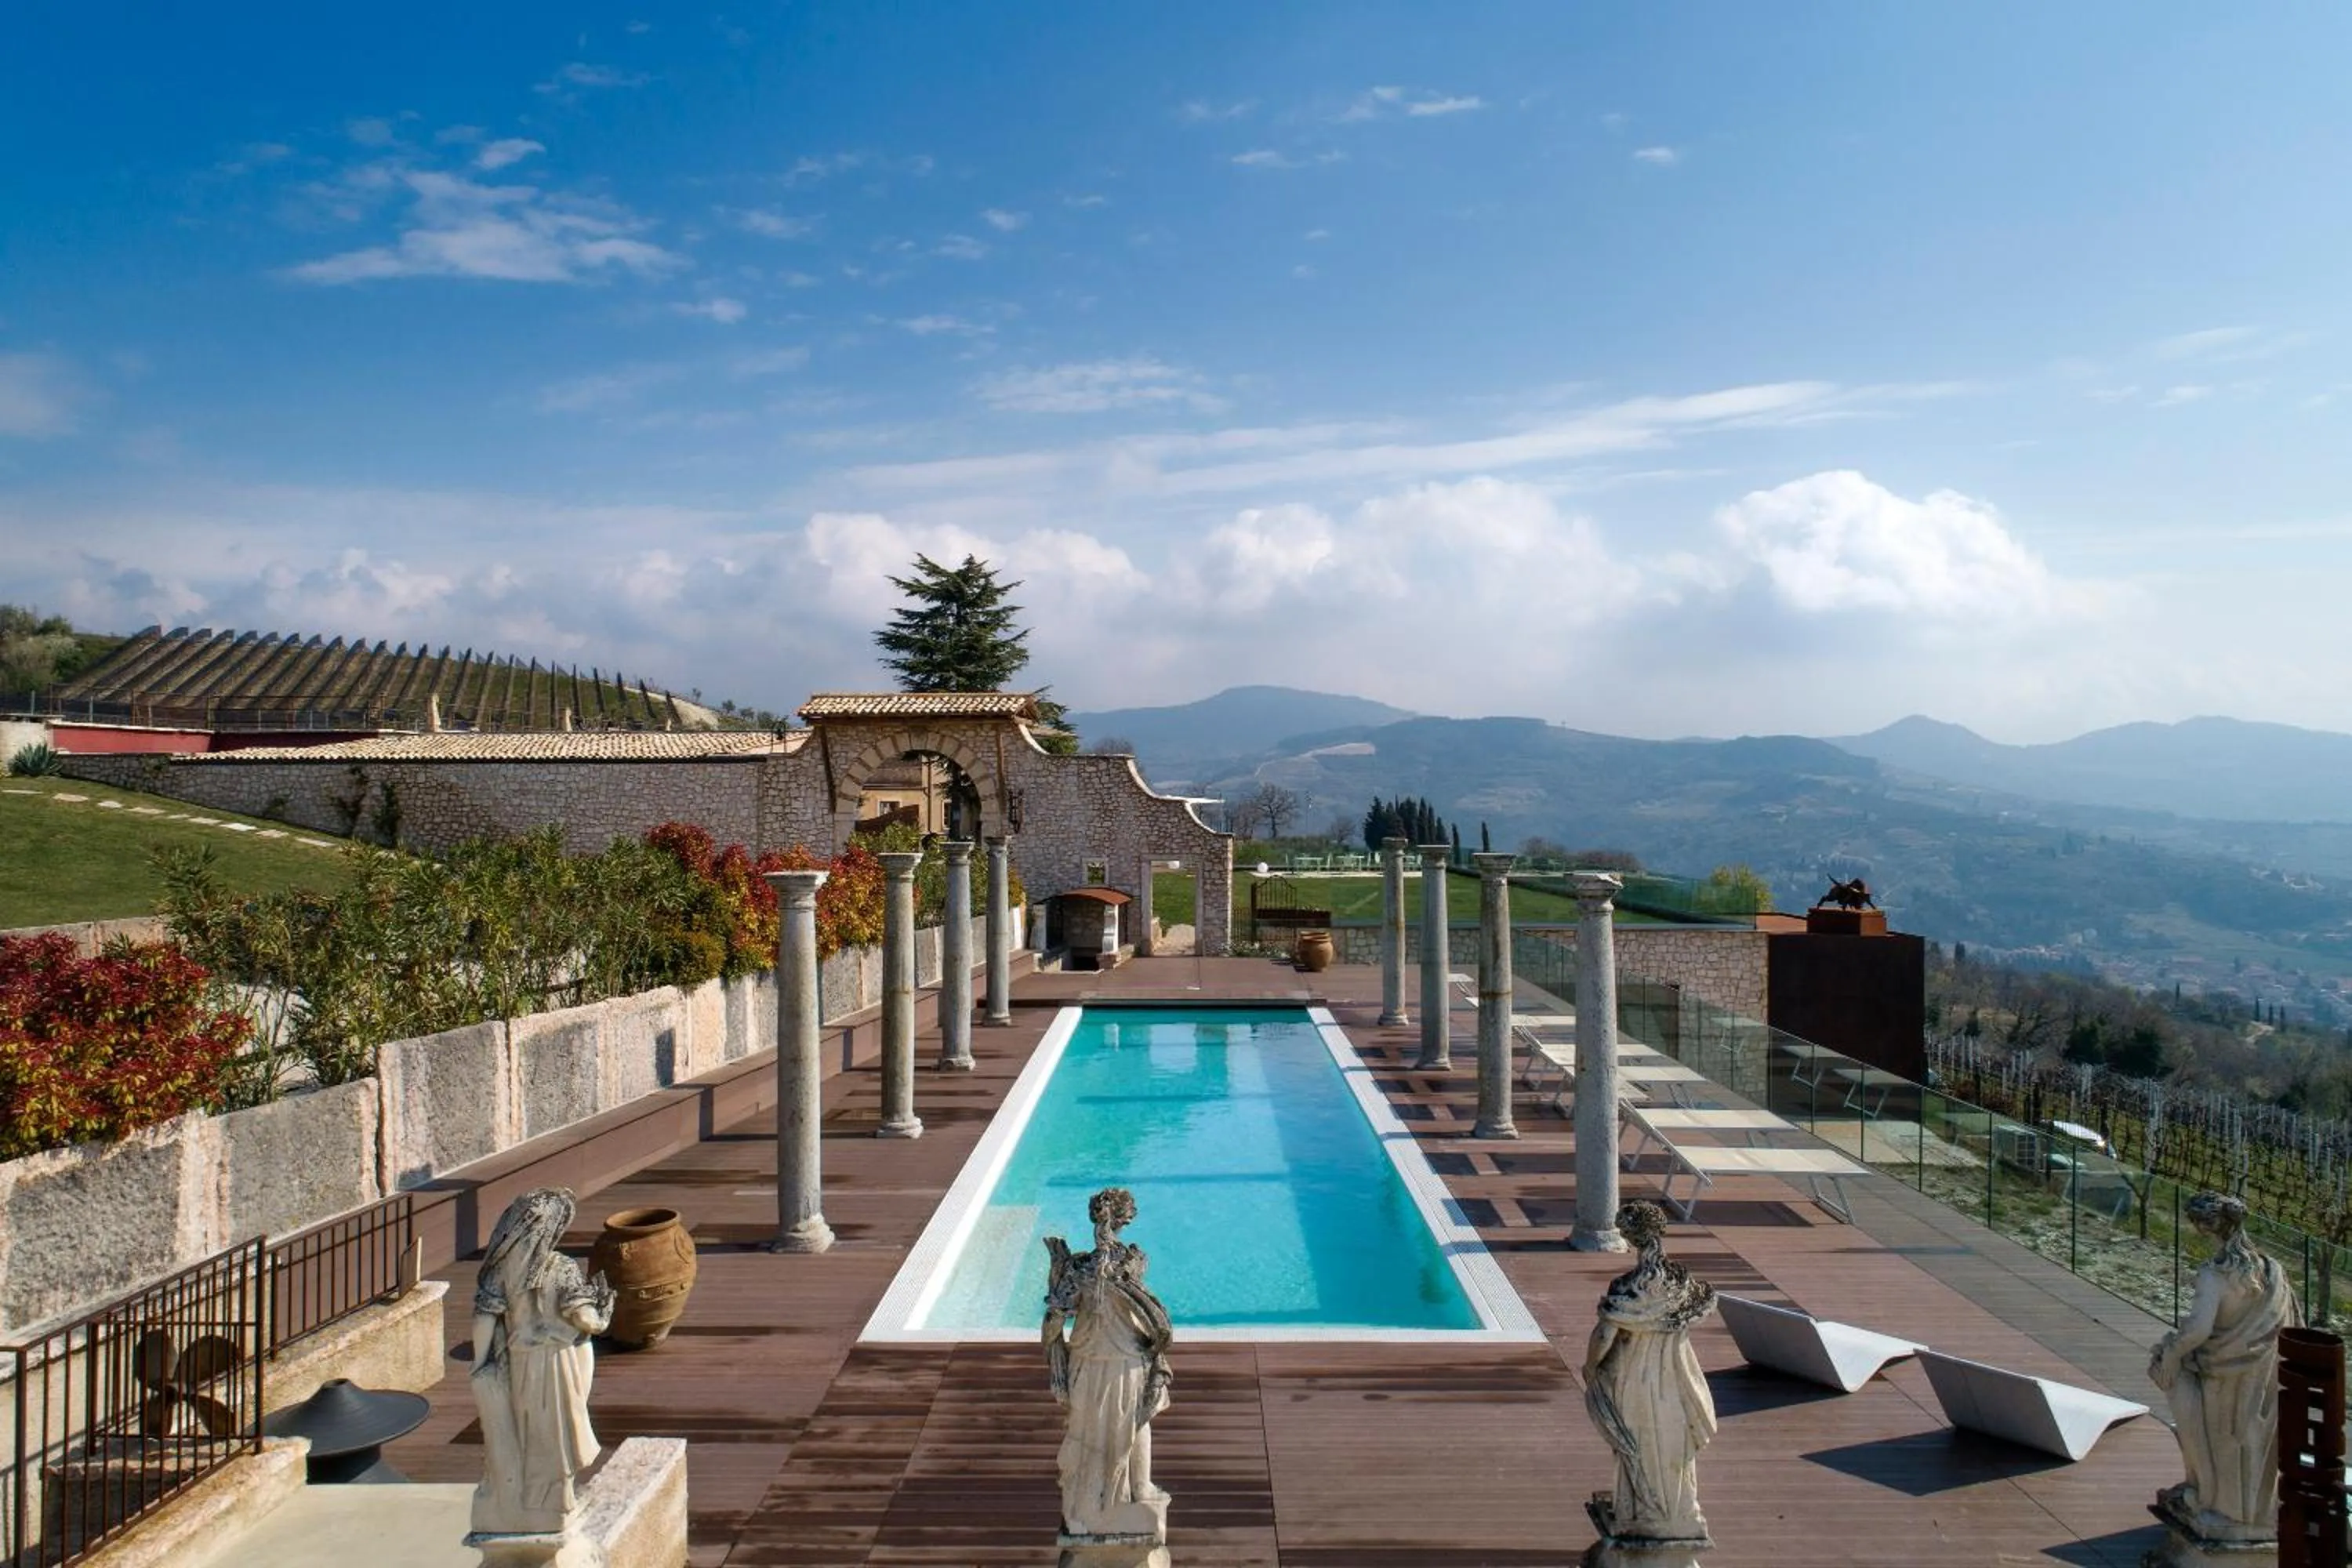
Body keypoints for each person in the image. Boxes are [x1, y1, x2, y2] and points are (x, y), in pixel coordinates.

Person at [2150, 1191, 2300, 1542]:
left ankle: (2211, 1498)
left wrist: (2170, 1355)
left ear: (2204, 1227)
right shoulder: (2271, 1270)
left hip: (2223, 1377)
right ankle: (2251, 1512)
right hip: (2264, 1376)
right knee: (2254, 1441)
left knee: (2219, 1435)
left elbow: (2198, 1331)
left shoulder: (2214, 1275)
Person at [470, 1188, 617, 1537]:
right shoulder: (561, 1268)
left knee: (530, 1430)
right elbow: (586, 1320)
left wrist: (479, 1363)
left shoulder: (502, 1271)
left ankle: (533, 1505)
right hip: (557, 1363)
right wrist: (604, 1314)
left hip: (520, 1363)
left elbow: (484, 1319)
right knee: (558, 1434)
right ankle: (558, 1502)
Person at [1041, 1187, 1174, 1539]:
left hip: (1087, 1359)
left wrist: (1053, 1314)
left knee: (1083, 1428)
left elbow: (1058, 1314)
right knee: (1136, 1423)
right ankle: (1140, 1489)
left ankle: (1089, 1502)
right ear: (1124, 1220)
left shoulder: (1079, 1268)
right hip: (1126, 1359)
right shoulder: (1132, 1262)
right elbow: (1149, 1316)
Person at [1584, 1200, 1718, 1544]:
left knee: (1636, 1444)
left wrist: (1590, 1367)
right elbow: (1705, 1304)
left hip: (1632, 1379)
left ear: (1629, 1238)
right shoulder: (1683, 1285)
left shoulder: (1628, 1289)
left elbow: (1604, 1335)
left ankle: (1640, 1513)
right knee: (1673, 1445)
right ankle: (1678, 1513)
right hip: (1675, 1378)